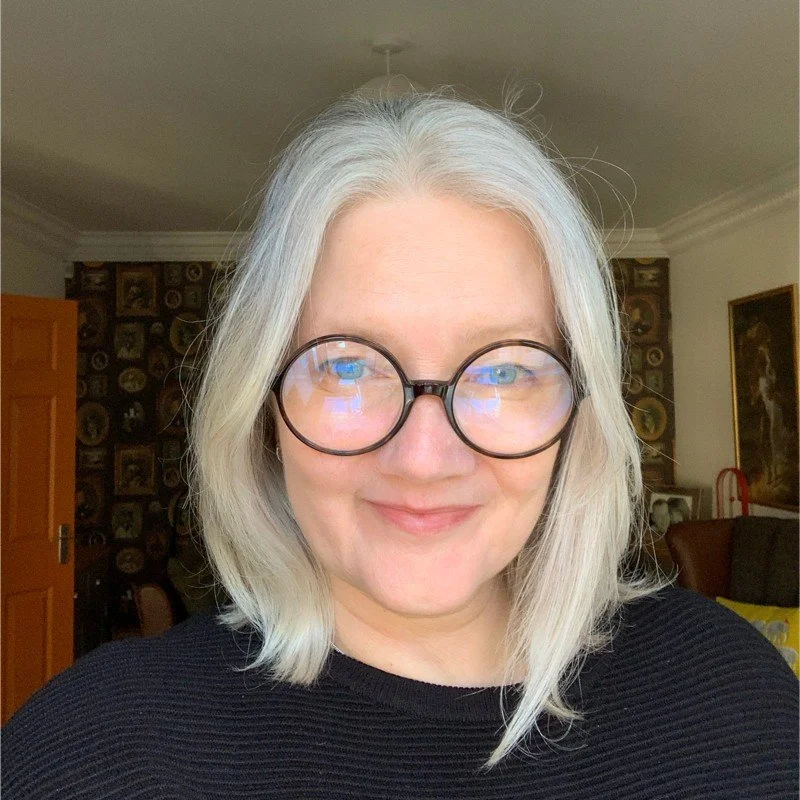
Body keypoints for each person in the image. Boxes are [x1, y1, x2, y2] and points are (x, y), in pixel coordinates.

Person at [3, 89, 797, 799]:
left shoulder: (736, 693)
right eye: (346, 364)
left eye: (505, 370)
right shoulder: (88, 750)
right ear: (263, 403)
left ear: (578, 411)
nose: (424, 459)